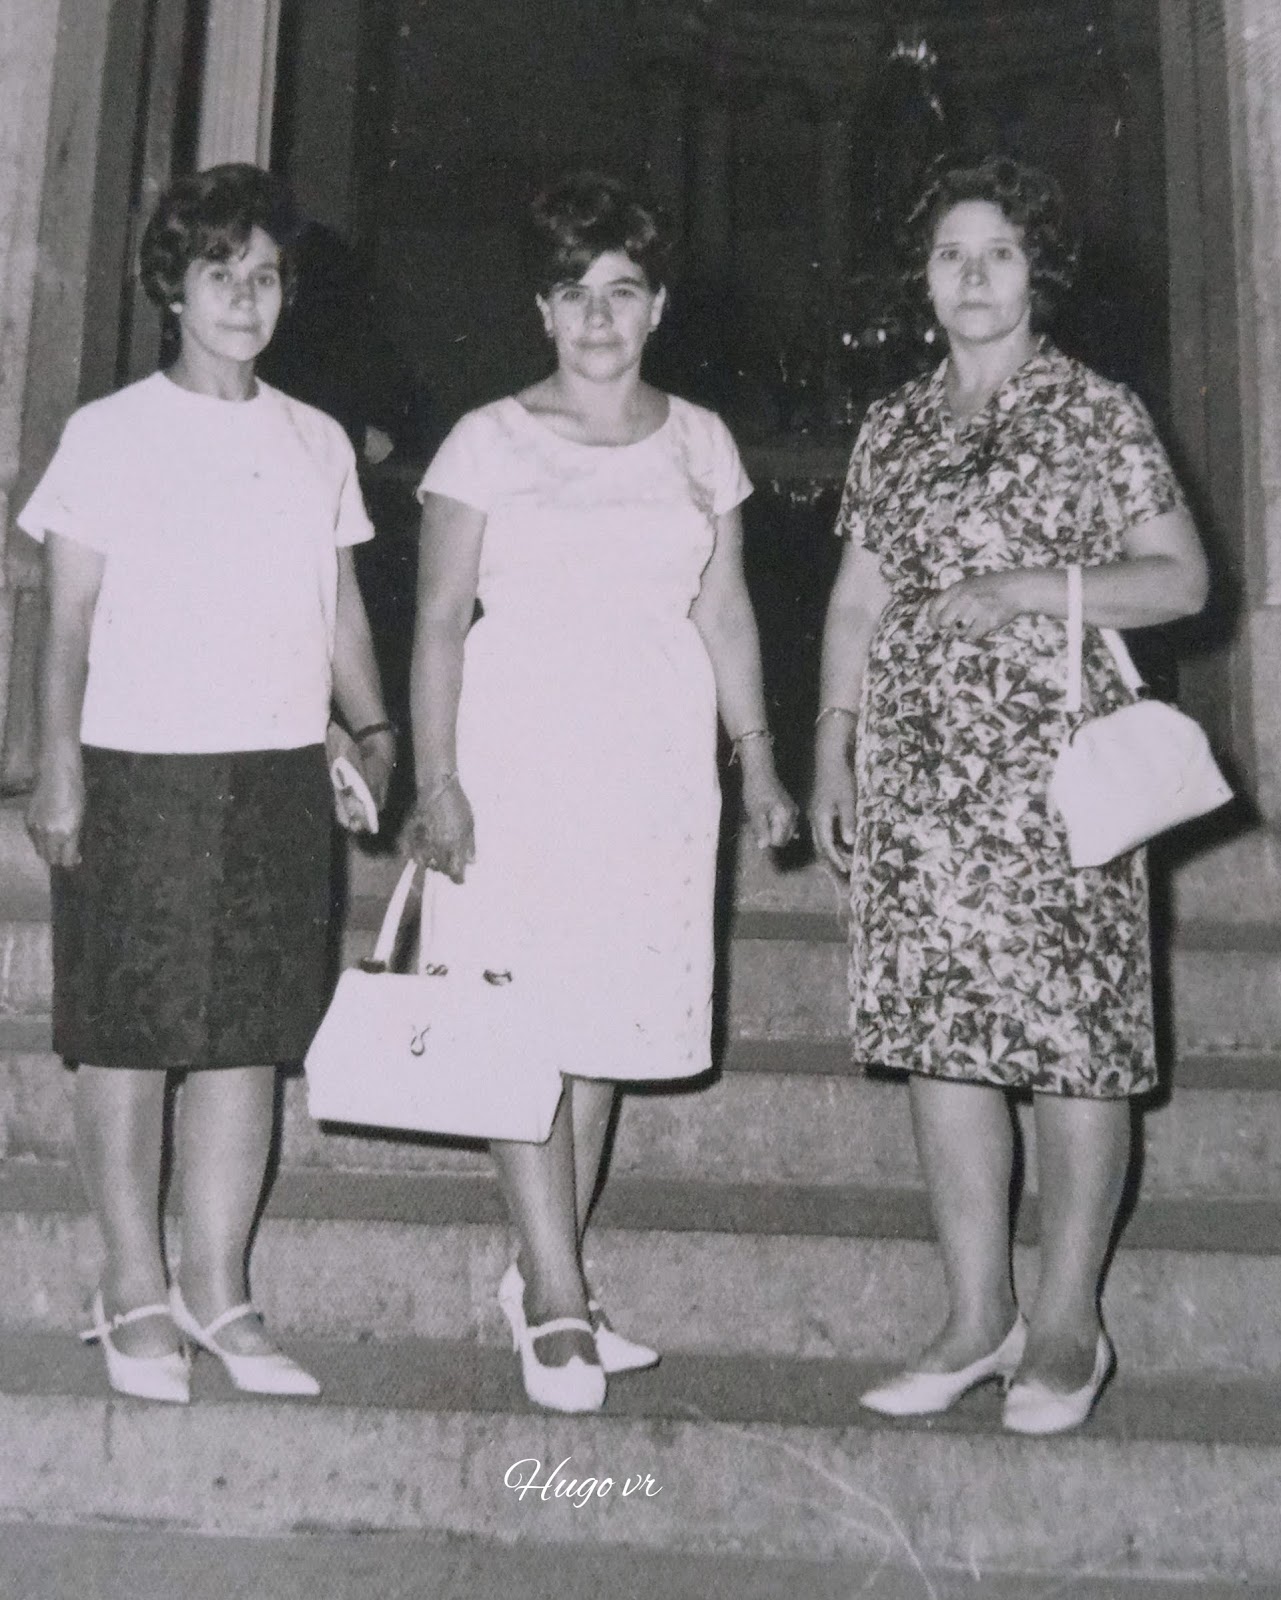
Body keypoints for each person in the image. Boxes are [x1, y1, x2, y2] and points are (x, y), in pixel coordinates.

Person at [808, 155, 1209, 1435]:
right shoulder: (893, 425)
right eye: (949, 254)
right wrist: (833, 741)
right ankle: (975, 1313)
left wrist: (1033, 587)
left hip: (1059, 770)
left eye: (998, 252)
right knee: (944, 1036)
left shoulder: (1098, 411)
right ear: (923, 279)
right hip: (922, 772)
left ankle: (1067, 1319)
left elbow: (1182, 579)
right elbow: (857, 600)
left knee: (1075, 1038)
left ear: (1039, 271)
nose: (972, 275)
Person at [405, 172, 798, 1413]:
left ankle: (544, 1271)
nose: (596, 315)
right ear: (541, 308)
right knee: (523, 1015)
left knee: (608, 1019)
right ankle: (563, 1298)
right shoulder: (486, 439)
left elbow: (726, 611)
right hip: (517, 757)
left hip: (654, 763)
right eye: (572, 291)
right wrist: (438, 778)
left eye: (621, 291)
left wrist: (759, 755)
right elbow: (437, 623)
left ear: (658, 306)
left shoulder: (702, 441)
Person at [20, 164, 395, 1404]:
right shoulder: (110, 432)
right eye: (219, 272)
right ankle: (131, 1283)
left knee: (248, 1041)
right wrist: (59, 765)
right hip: (139, 767)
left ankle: (216, 1288)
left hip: (275, 769)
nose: (245, 296)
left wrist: (373, 728)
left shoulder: (316, 439)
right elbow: (68, 622)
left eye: (265, 275)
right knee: (127, 1040)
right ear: (172, 289)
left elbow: (340, 606)